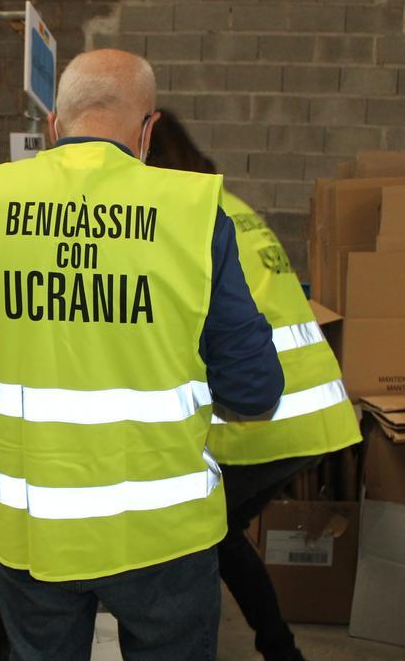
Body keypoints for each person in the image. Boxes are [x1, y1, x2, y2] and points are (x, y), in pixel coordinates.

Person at [0, 49, 284, 661]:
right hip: (164, 537)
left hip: (32, 533)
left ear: (55, 123)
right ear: (148, 130)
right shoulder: (191, 213)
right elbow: (255, 392)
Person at [149, 110, 363, 661]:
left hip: (264, 419)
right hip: (314, 410)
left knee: (198, 535)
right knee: (221, 533)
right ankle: (277, 647)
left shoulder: (180, 219)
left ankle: (272, 648)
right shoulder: (231, 207)